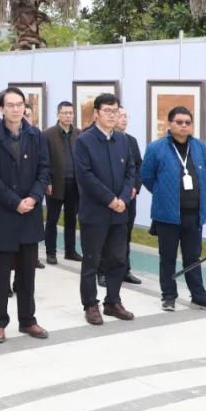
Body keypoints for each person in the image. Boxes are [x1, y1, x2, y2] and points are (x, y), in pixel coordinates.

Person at [0, 88, 51, 343]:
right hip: (3, 214)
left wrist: (34, 197)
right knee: (0, 275)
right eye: (10, 105)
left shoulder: (36, 135)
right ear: (1, 108)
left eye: (19, 104)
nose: (16, 109)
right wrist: (15, 202)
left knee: (27, 274)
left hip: (29, 213)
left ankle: (28, 320)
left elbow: (44, 170)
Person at [141, 106, 206, 312]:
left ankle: (199, 297)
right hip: (167, 215)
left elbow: (205, 172)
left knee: (193, 257)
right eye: (179, 122)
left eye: (187, 122)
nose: (184, 126)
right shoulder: (156, 148)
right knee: (167, 257)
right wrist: (163, 193)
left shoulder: (200, 147)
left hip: (193, 214)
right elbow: (147, 176)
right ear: (170, 124)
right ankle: (169, 296)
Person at [73, 93, 135, 325]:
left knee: (118, 259)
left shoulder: (122, 140)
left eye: (115, 111)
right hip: (95, 212)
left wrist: (123, 199)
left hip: (119, 212)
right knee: (92, 260)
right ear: (96, 113)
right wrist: (110, 199)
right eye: (107, 111)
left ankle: (113, 301)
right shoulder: (84, 141)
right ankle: (90, 304)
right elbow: (85, 176)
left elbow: (130, 171)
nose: (112, 115)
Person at [43, 101, 82, 264]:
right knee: (52, 219)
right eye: (64, 113)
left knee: (71, 219)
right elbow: (43, 160)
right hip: (55, 183)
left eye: (70, 113)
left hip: (75, 184)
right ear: (58, 114)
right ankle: (50, 252)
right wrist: (47, 181)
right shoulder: (48, 134)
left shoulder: (79, 134)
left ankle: (70, 251)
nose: (68, 116)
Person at [116, 107, 143, 285]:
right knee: (109, 235)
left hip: (129, 197)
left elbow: (139, 166)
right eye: (120, 116)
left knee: (126, 233)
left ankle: (125, 269)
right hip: (113, 198)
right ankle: (103, 270)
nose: (124, 119)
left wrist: (135, 187)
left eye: (126, 116)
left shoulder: (131, 141)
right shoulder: (107, 141)